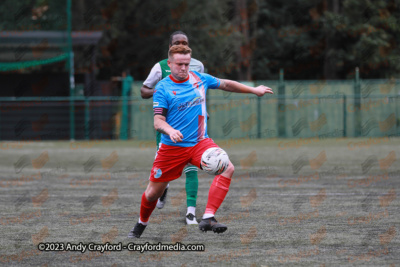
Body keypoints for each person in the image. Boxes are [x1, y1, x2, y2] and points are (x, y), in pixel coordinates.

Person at [128, 45, 273, 238]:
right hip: (172, 148)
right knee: (152, 194)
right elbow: (158, 121)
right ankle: (141, 224)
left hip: (199, 143)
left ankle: (208, 217)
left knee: (228, 167)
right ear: (169, 64)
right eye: (179, 64)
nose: (184, 68)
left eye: (187, 64)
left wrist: (254, 90)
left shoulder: (199, 79)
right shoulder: (163, 87)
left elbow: (226, 84)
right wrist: (170, 131)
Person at [140, 31, 204, 225]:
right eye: (177, 42)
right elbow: (144, 90)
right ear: (170, 47)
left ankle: (191, 213)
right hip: (168, 127)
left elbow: (200, 89)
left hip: (193, 126)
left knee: (192, 168)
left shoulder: (198, 66)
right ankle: (163, 188)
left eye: (185, 42)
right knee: (162, 171)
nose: (181, 44)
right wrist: (161, 90)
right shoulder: (161, 67)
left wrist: (203, 110)